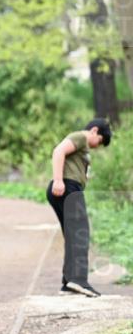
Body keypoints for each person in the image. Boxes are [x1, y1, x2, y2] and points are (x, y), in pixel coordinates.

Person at [46, 118, 112, 298]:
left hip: (69, 188)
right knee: (80, 233)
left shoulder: (83, 146)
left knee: (73, 235)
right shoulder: (80, 137)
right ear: (94, 131)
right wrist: (58, 180)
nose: (98, 146)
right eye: (100, 141)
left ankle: (69, 282)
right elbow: (58, 151)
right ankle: (78, 280)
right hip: (68, 187)